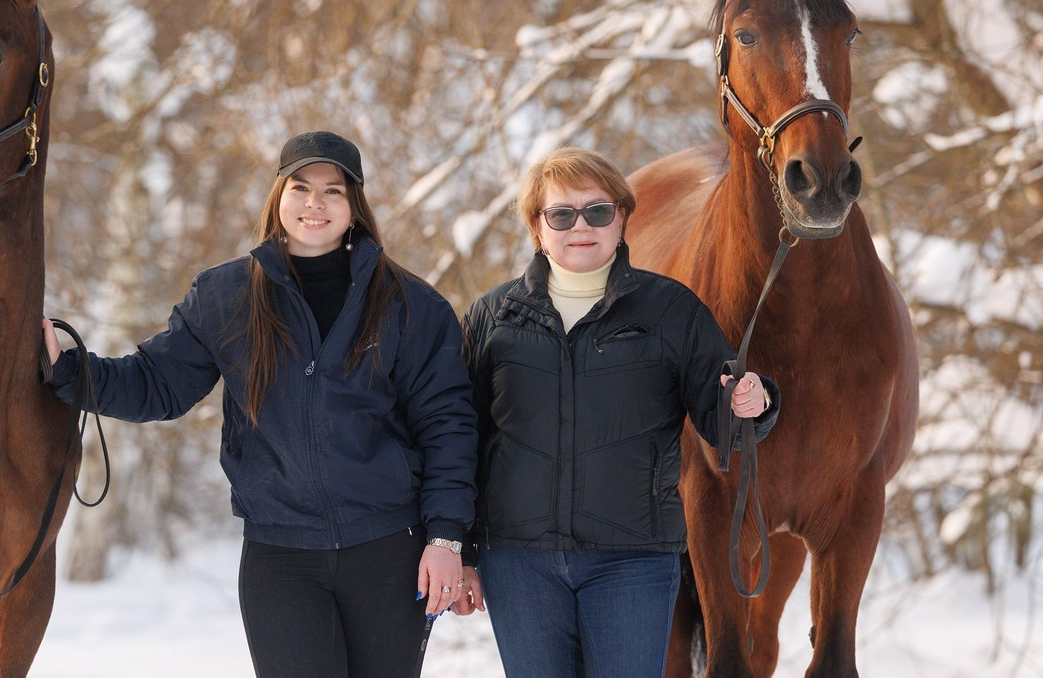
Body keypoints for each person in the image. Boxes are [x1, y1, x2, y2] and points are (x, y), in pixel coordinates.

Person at [42, 131, 477, 678]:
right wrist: (68, 372)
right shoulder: (227, 296)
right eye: (300, 187)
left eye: (333, 191)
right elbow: (158, 384)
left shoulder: (410, 304)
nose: (314, 203)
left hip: (389, 550)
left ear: (355, 206)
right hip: (281, 558)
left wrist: (446, 538)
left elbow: (449, 428)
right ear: (278, 196)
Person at [451, 147, 778, 677]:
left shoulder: (672, 310)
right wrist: (462, 549)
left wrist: (752, 402)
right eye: (561, 214)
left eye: (597, 211)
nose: (580, 226)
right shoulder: (493, 318)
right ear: (538, 226)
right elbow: (462, 441)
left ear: (622, 217)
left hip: (632, 561)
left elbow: (723, 420)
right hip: (519, 562)